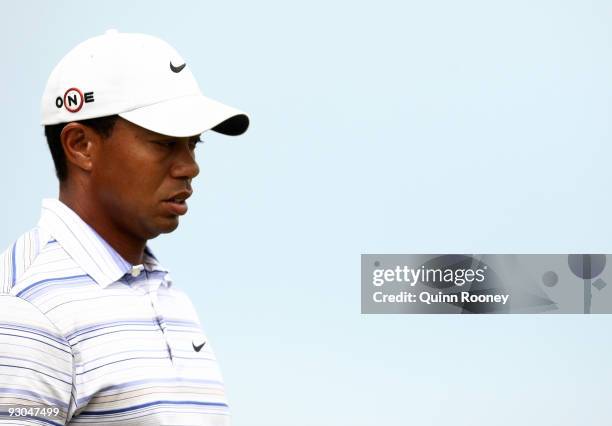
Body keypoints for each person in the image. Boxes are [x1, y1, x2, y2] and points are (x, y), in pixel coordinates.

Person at [0, 30, 249, 425]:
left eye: (194, 143)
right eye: (163, 142)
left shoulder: (168, 296)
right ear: (81, 145)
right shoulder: (25, 307)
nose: (190, 166)